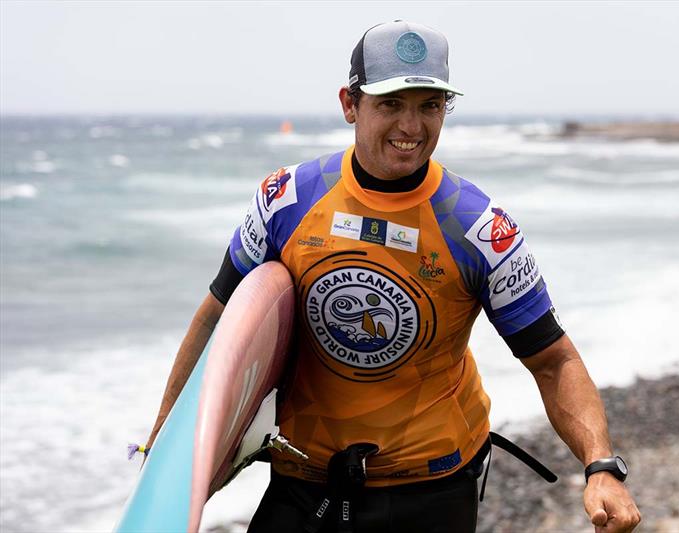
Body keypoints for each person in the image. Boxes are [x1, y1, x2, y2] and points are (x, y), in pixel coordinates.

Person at [146, 20, 641, 532]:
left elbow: (553, 360)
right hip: (306, 478)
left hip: (430, 489)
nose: (411, 126)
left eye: (429, 105)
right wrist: (163, 450)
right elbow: (218, 325)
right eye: (390, 104)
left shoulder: (480, 228)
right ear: (349, 104)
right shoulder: (286, 201)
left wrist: (600, 466)